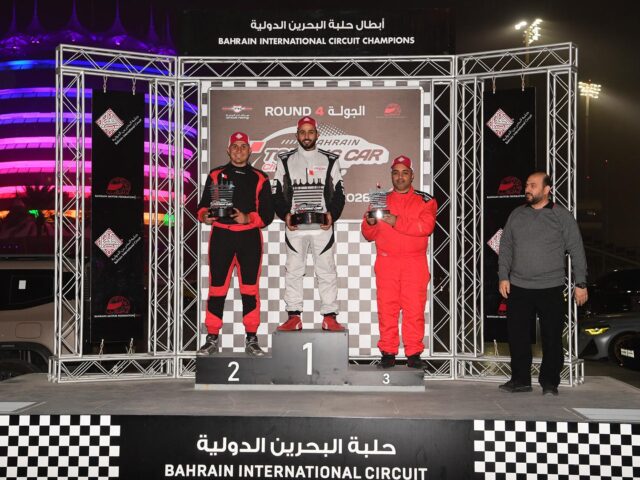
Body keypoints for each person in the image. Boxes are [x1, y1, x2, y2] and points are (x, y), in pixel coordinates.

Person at [498, 171, 588, 395]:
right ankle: (520, 380)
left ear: (547, 189)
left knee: (552, 337)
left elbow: (577, 250)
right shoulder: (517, 214)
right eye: (527, 185)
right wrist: (503, 276)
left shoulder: (561, 216)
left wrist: (581, 283)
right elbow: (506, 246)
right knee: (517, 337)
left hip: (550, 287)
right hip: (519, 286)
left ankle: (549, 382)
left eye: (533, 185)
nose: (527, 189)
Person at [196, 131, 274, 357]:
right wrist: (204, 216)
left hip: (249, 239)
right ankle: (211, 338)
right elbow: (202, 206)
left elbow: (267, 215)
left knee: (250, 289)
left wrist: (248, 218)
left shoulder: (260, 177)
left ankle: (252, 338)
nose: (239, 150)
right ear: (228, 150)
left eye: (243, 146)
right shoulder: (215, 174)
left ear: (250, 151)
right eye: (235, 146)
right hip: (221, 237)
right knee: (217, 288)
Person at [361, 155, 437, 369]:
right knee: (387, 309)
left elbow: (425, 227)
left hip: (415, 263)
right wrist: (369, 223)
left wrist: (396, 221)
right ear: (391, 176)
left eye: (405, 173)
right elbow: (368, 234)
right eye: (396, 173)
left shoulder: (426, 200)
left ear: (412, 175)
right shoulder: (380, 199)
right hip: (387, 262)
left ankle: (413, 354)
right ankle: (388, 352)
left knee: (414, 309)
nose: (400, 177)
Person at [272, 116, 346, 331]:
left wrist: (332, 214)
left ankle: (329, 316)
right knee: (293, 270)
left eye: (310, 132)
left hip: (322, 226)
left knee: (326, 270)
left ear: (317, 134)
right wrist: (285, 214)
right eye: (302, 132)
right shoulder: (284, 159)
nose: (306, 136)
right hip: (295, 226)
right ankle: (293, 316)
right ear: (297, 135)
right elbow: (276, 191)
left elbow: (339, 192)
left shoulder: (330, 159)